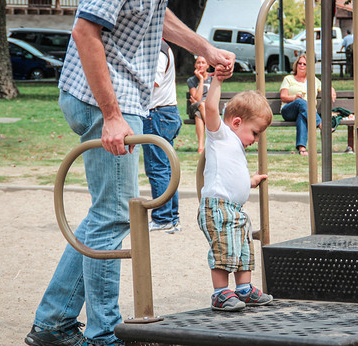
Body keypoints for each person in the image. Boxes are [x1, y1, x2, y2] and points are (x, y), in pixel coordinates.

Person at [24, 1, 235, 345]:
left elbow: (156, 16)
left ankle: (54, 322)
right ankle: (104, 333)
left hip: (122, 96)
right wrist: (111, 114)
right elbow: (84, 30)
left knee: (104, 214)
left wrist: (205, 48)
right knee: (114, 216)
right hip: (106, 98)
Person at [198, 66, 274, 312]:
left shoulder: (235, 145)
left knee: (243, 248)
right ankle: (220, 293)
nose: (256, 139)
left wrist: (249, 181)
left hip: (234, 209)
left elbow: (230, 172)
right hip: (217, 207)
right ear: (237, 122)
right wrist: (217, 81)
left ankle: (244, 289)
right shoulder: (220, 135)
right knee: (224, 248)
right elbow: (210, 108)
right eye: (255, 133)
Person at [144, 39, 181, 234]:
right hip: (165, 113)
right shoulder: (163, 47)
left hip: (157, 114)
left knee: (158, 168)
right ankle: (172, 217)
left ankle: (163, 217)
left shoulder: (157, 50)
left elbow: (153, 83)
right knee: (167, 169)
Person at [279, 54, 336, 156]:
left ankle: (302, 149)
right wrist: (294, 98)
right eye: (299, 63)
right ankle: (321, 125)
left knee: (302, 116)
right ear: (296, 65)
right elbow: (283, 96)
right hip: (288, 110)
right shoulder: (288, 79)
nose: (301, 66)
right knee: (301, 102)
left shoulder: (313, 80)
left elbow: (325, 88)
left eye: (304, 64)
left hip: (305, 113)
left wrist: (331, 89)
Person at [187, 56, 212, 153]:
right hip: (195, 106)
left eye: (203, 63)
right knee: (201, 105)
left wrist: (206, 102)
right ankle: (211, 129)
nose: (200, 65)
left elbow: (215, 95)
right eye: (198, 63)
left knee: (199, 115)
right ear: (195, 65)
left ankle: (201, 147)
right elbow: (197, 98)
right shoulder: (191, 80)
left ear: (208, 65)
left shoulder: (213, 78)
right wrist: (201, 80)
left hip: (208, 107)